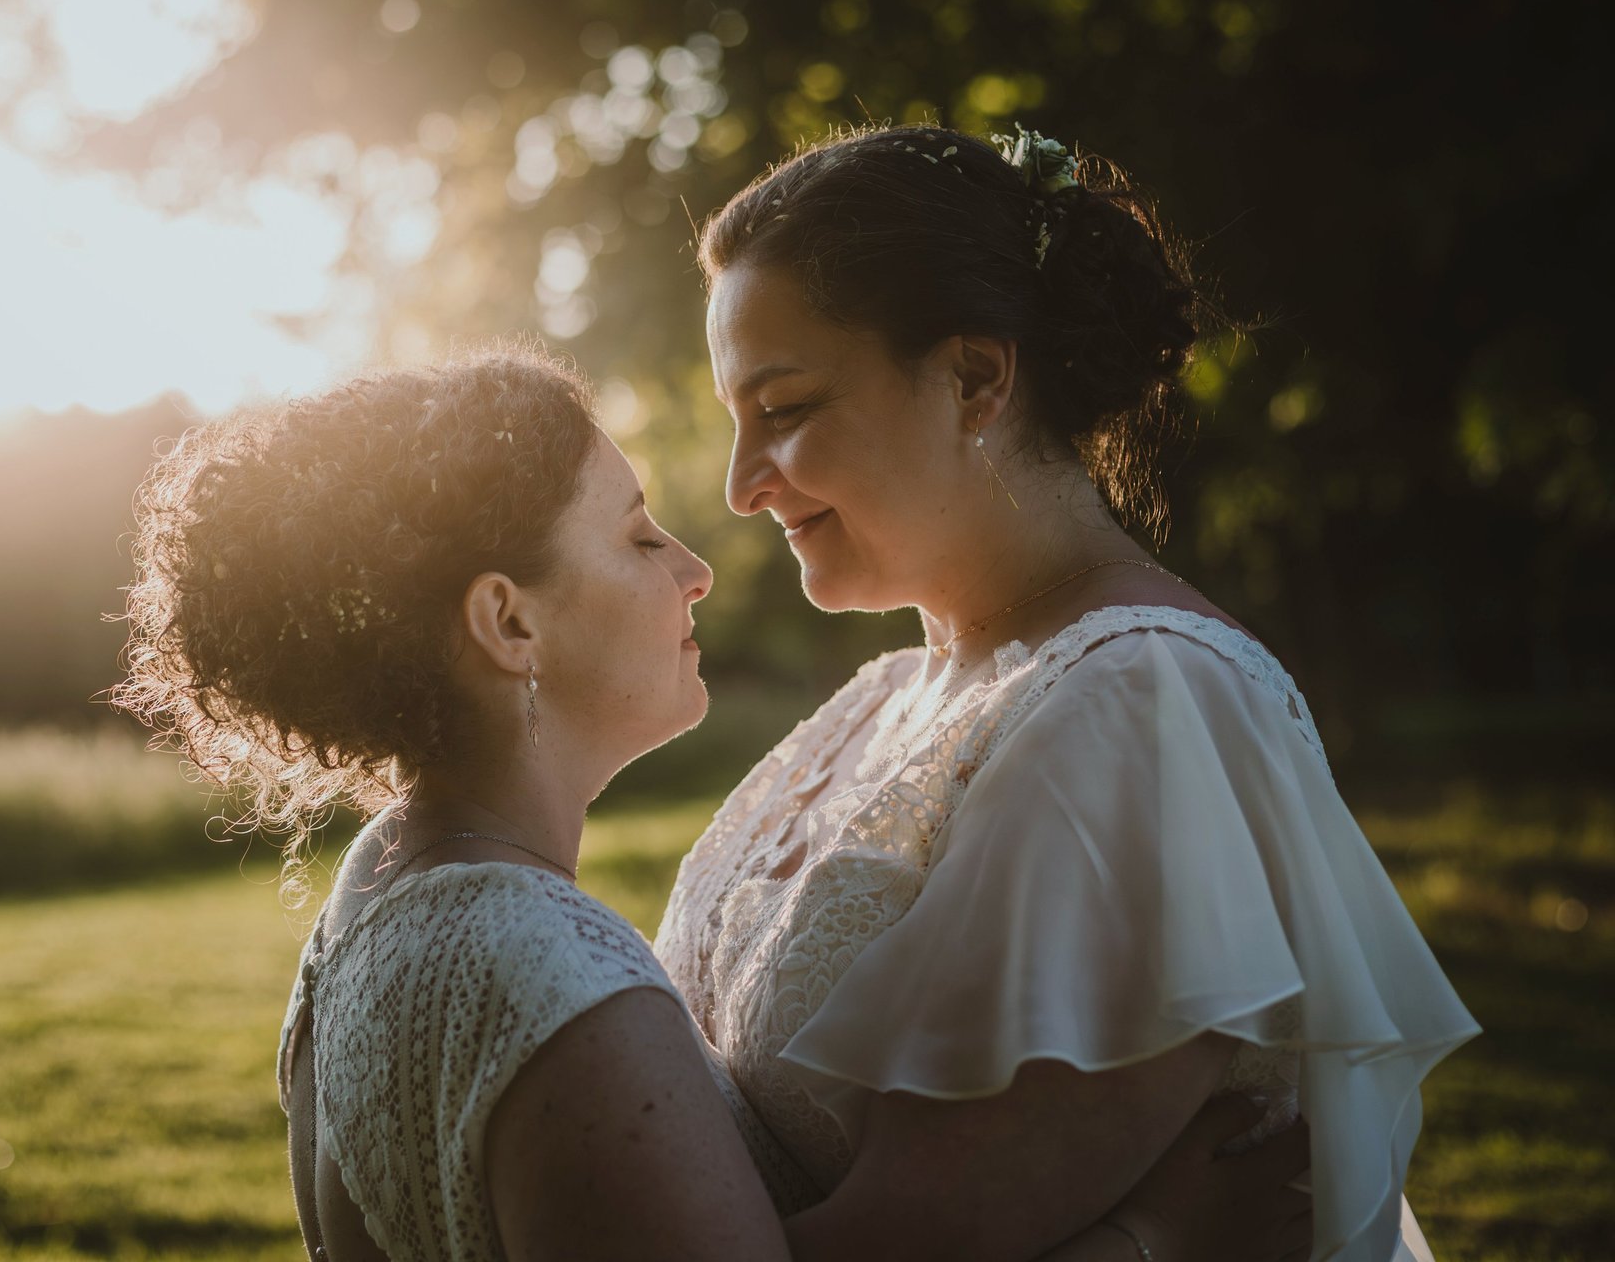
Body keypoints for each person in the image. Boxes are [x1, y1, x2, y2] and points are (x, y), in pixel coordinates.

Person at [116, 345, 1314, 1261]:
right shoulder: (552, 978)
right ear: (509, 621)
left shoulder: (377, 885)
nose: (694, 566)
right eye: (638, 537)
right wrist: (1153, 1232)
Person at [651, 122, 1481, 1262]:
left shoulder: (1149, 707)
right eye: (735, 421)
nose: (743, 485)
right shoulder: (886, 694)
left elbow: (914, 1243)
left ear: (975, 376)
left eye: (784, 409)